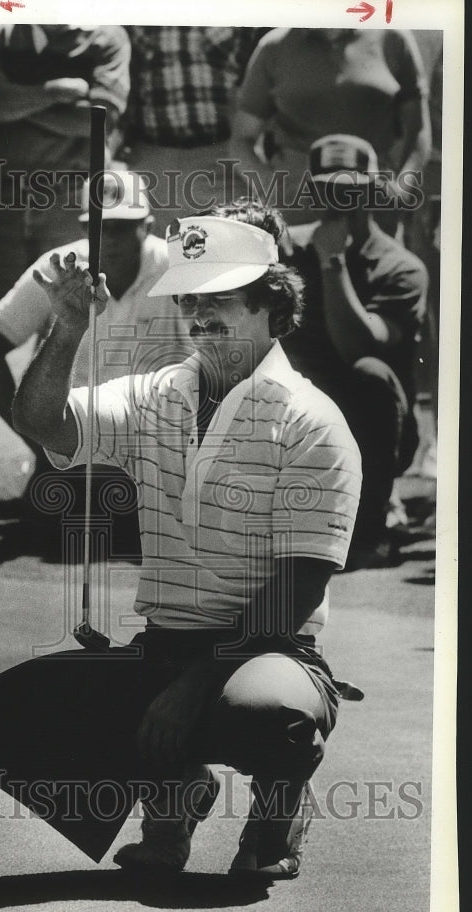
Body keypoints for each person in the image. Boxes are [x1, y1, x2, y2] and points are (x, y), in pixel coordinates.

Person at [0, 205, 362, 878]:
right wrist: (68, 327)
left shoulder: (311, 421)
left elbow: (299, 585)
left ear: (271, 303)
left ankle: (276, 805)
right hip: (164, 645)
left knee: (265, 716)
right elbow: (43, 422)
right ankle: (176, 787)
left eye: (220, 299)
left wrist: (194, 682)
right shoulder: (155, 395)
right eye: (190, 300)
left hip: (268, 648)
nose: (199, 317)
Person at [0, 24, 131, 525]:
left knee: (63, 348)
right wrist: (54, 94)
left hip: (69, 207)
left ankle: (53, 476)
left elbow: (98, 120)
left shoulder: (106, 37)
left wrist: (17, 102)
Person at [0, 170, 190, 530]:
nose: (109, 238)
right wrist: (41, 438)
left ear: (148, 225)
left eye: (122, 227)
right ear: (83, 228)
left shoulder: (180, 268)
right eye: (99, 227)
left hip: (161, 440)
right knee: (51, 519)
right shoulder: (59, 267)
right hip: (78, 436)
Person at [277, 134, 428, 568]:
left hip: (372, 423)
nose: (339, 197)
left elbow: (356, 347)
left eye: (351, 187)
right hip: (300, 411)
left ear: (374, 189)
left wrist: (333, 262)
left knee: (370, 372)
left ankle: (369, 529)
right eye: (327, 187)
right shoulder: (288, 251)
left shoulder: (401, 267)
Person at [232, 28, 430, 227]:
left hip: (372, 205)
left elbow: (418, 129)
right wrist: (272, 191)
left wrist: (401, 188)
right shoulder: (274, 45)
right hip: (297, 207)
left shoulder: (393, 37)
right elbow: (242, 138)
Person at [123, 26, 269, 236]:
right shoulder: (133, 12)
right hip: (156, 164)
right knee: (164, 259)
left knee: (232, 252)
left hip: (224, 158)